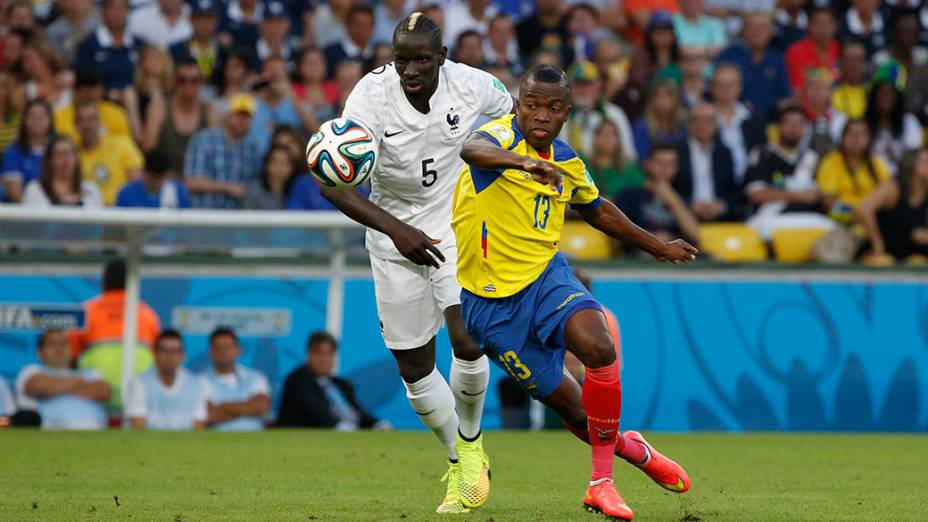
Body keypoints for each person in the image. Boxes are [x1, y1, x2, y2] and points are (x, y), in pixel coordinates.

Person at [454, 64, 695, 521]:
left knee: (599, 347)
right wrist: (525, 162)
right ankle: (632, 449)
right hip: (491, 308)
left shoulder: (567, 160)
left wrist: (658, 247)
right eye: (531, 104)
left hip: (547, 279)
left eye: (553, 107)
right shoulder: (499, 139)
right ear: (518, 104)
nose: (540, 114)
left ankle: (600, 484)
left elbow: (598, 210)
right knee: (580, 416)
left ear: (567, 112)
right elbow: (472, 150)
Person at [320, 13, 513, 514]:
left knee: (468, 335)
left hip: (455, 223)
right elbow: (331, 183)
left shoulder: (472, 85)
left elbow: (511, 114)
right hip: (392, 233)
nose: (410, 69)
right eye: (401, 58)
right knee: (413, 366)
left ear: (441, 57)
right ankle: (462, 457)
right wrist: (397, 231)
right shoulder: (368, 97)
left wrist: (501, 163)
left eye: (421, 59)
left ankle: (469, 448)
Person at [69, 258, 160, 409]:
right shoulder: (148, 314)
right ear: (132, 283)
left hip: (96, 396)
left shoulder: (86, 311)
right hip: (138, 395)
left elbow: (69, 361)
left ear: (104, 282)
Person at [744, 105, 834, 240]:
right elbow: (756, 194)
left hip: (811, 218)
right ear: (778, 126)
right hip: (772, 218)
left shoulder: (812, 157)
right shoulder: (763, 154)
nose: (794, 128)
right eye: (789, 123)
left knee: (833, 232)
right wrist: (798, 196)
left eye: (799, 124)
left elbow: (821, 194)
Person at [277, 331, 389, 430]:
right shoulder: (298, 379)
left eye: (328, 354)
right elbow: (313, 411)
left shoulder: (341, 384)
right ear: (309, 354)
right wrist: (339, 426)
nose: (324, 359)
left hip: (349, 433)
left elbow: (356, 412)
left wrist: (377, 424)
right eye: (319, 353)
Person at [615, 142, 701, 254]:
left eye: (670, 164)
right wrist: (652, 240)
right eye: (659, 163)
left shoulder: (681, 198)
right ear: (648, 164)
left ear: (677, 168)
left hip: (675, 259)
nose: (665, 169)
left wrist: (673, 200)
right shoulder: (629, 195)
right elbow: (616, 236)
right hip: (640, 256)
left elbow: (694, 235)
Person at [15, 329, 110, 430]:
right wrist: (80, 383)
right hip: (51, 430)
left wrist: (57, 388)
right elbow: (38, 387)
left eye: (64, 343)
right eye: (52, 344)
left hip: (94, 428)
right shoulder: (32, 370)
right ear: (40, 352)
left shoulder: (90, 372)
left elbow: (104, 392)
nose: (59, 348)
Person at [184, 93, 262, 209]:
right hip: (204, 216)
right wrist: (228, 187)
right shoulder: (205, 139)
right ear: (227, 115)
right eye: (238, 115)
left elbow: (257, 184)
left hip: (238, 220)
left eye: (247, 116)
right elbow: (191, 182)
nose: (242, 120)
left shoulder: (252, 148)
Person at [125, 330, 208, 430]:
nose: (170, 356)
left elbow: (198, 426)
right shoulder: (139, 383)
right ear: (154, 354)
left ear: (183, 356)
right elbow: (138, 427)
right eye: (165, 351)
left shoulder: (196, 385)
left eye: (175, 351)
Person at [856, 147, 928, 263]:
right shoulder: (893, 187)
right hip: (887, 249)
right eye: (925, 162)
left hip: (915, 251)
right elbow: (864, 210)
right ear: (911, 165)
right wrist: (877, 245)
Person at [716, 11, 792, 119]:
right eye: (752, 27)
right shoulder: (729, 55)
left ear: (770, 32)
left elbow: (785, 95)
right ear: (743, 31)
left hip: (770, 119)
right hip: (734, 118)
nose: (757, 32)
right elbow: (718, 90)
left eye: (763, 28)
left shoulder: (777, 59)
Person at [674, 102, 741, 222]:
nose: (702, 125)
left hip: (719, 215)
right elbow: (670, 187)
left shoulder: (724, 152)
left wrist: (722, 205)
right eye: (696, 120)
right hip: (684, 214)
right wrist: (690, 204)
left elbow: (733, 190)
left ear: (716, 125)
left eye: (708, 120)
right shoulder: (677, 150)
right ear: (689, 124)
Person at [559, 61, 636, 161]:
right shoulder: (558, 115)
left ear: (598, 86)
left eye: (588, 84)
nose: (583, 90)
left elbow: (628, 154)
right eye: (578, 85)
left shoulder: (614, 114)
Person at [144, 59, 211, 174]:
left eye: (194, 80)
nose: (188, 85)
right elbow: (149, 149)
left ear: (201, 83)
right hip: (165, 180)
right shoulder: (160, 108)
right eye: (182, 80)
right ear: (174, 82)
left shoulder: (210, 111)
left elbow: (214, 153)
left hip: (200, 182)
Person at [817, 119, 893, 219]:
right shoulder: (830, 162)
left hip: (875, 217)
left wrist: (869, 211)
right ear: (843, 137)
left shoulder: (877, 162)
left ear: (869, 139)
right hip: (842, 221)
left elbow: (889, 195)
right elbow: (828, 204)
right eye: (852, 133)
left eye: (861, 134)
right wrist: (855, 212)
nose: (856, 138)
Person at [200, 327, 271, 432]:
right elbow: (209, 415)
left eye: (227, 347)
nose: (223, 352)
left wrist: (221, 406)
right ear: (211, 352)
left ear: (238, 350)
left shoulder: (256, 377)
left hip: (254, 442)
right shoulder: (201, 380)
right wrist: (247, 409)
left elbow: (261, 407)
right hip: (216, 444)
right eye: (218, 348)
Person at [75, 102, 144, 206]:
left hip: (121, 213)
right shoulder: (72, 154)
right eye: (82, 120)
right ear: (75, 124)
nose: (88, 126)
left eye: (92, 119)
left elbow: (137, 184)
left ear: (99, 121)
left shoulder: (122, 145)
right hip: (88, 216)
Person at [619, 10, 679, 121]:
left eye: (667, 31)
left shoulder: (679, 56)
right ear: (650, 34)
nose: (663, 35)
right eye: (659, 31)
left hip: (676, 107)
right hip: (646, 106)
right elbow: (638, 82)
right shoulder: (641, 57)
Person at [710, 63, 765, 183]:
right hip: (717, 186)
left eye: (731, 84)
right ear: (712, 88)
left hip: (750, 184)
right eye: (721, 85)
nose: (726, 89)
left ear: (739, 87)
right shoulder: (704, 118)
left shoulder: (753, 118)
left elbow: (762, 153)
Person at [73, 0, 141, 91]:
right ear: (102, 12)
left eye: (121, 8)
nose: (117, 13)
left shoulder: (139, 44)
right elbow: (83, 82)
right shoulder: (88, 46)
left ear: (128, 12)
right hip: (100, 100)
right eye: (113, 8)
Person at [21, 136, 104, 208]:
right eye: (59, 154)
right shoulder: (35, 190)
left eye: (69, 153)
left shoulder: (91, 189)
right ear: (50, 160)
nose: (65, 159)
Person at [54, 67, 132, 143]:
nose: (90, 101)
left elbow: (124, 144)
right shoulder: (60, 117)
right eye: (86, 97)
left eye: (94, 97)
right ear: (75, 91)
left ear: (101, 91)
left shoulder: (116, 114)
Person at [2, 99, 54, 203]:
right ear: (24, 120)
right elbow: (16, 196)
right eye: (32, 116)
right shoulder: (13, 153)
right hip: (27, 213)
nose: (37, 121)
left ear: (50, 120)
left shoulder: (58, 149)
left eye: (42, 116)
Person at [584, 120, 646, 200]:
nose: (606, 139)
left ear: (618, 140)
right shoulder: (584, 165)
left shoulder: (630, 168)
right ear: (595, 139)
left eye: (611, 135)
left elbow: (644, 190)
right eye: (601, 134)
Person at [785, 7, 839, 92]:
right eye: (818, 24)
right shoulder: (796, 52)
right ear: (809, 26)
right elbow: (796, 89)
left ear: (834, 27)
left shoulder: (841, 50)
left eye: (826, 24)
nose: (822, 29)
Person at [631, 78, 687, 159]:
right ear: (651, 100)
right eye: (657, 95)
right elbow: (642, 158)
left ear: (676, 99)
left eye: (668, 95)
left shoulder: (684, 125)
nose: (662, 99)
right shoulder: (642, 126)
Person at [169, 0, 224, 84]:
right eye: (199, 17)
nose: (204, 23)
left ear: (216, 21)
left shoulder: (223, 51)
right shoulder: (176, 50)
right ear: (191, 19)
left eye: (209, 18)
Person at [115, 150, 191, 208]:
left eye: (161, 177)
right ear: (144, 172)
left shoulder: (179, 193)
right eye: (154, 177)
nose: (157, 182)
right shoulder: (126, 193)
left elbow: (184, 226)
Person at [324, 4, 375, 77]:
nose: (363, 29)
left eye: (367, 25)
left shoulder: (377, 53)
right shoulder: (330, 53)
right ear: (347, 25)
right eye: (358, 24)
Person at [243, 145, 296, 209]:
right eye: (275, 162)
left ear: (292, 167)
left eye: (284, 163)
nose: (279, 167)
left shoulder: (297, 191)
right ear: (266, 164)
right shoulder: (253, 191)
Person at [831, 41, 869, 120]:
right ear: (841, 63)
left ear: (864, 63)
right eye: (847, 59)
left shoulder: (872, 92)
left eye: (857, 60)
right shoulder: (830, 92)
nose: (852, 64)